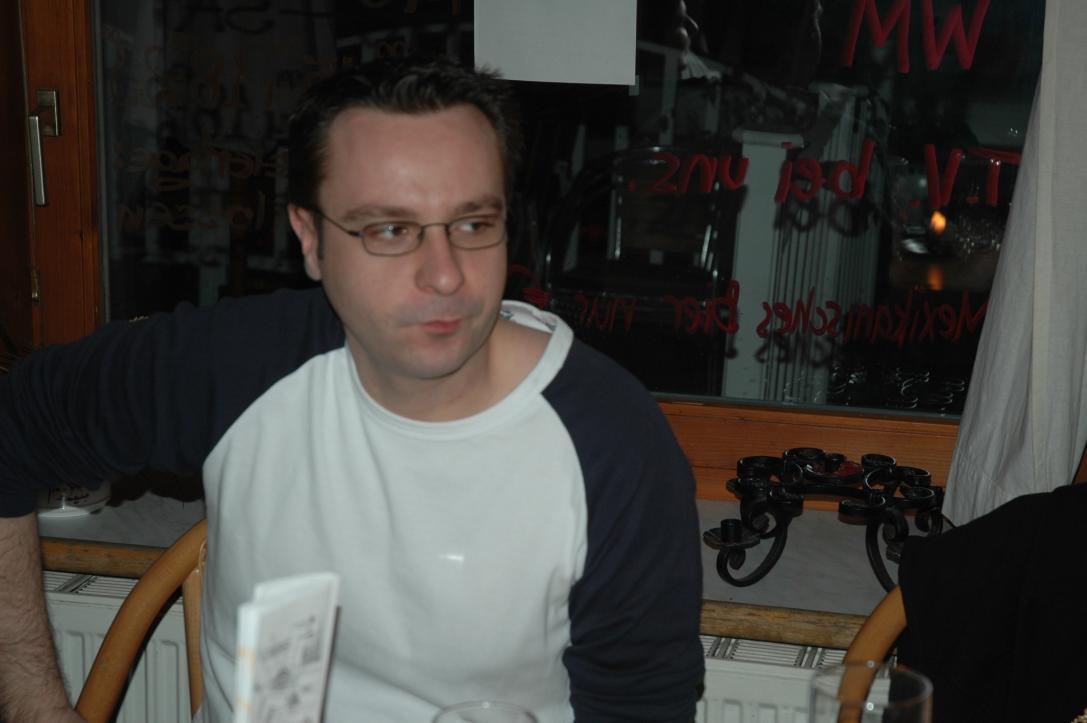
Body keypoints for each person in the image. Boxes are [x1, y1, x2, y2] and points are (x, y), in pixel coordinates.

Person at [0, 59, 705, 722]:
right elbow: (12, 426)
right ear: (309, 238)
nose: (445, 275)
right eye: (390, 230)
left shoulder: (612, 445)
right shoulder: (235, 366)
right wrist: (34, 704)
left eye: (473, 224)